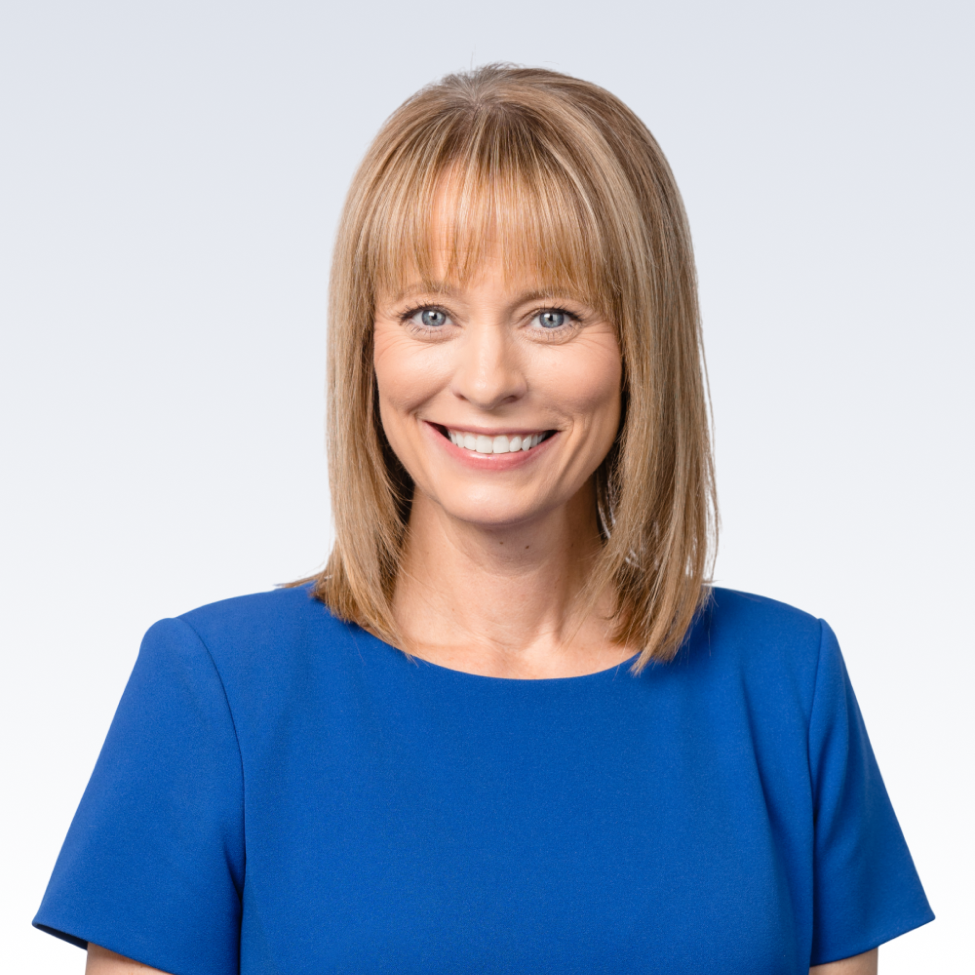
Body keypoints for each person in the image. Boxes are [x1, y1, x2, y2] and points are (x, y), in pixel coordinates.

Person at [34, 64, 932, 975]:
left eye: (552, 316)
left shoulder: (785, 684)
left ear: (641, 345)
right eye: (431, 314)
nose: (489, 379)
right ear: (367, 345)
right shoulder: (214, 690)